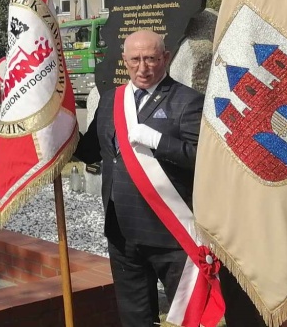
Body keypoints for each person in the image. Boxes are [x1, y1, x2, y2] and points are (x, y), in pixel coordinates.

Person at [76, 29, 203, 327]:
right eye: (135, 60)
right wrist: (58, 132)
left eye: (151, 59)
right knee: (134, 316)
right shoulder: (111, 100)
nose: (142, 68)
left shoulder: (188, 101)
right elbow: (91, 150)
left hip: (169, 231)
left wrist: (160, 141)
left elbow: (203, 159)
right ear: (124, 60)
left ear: (166, 58)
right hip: (122, 228)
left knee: (190, 317)